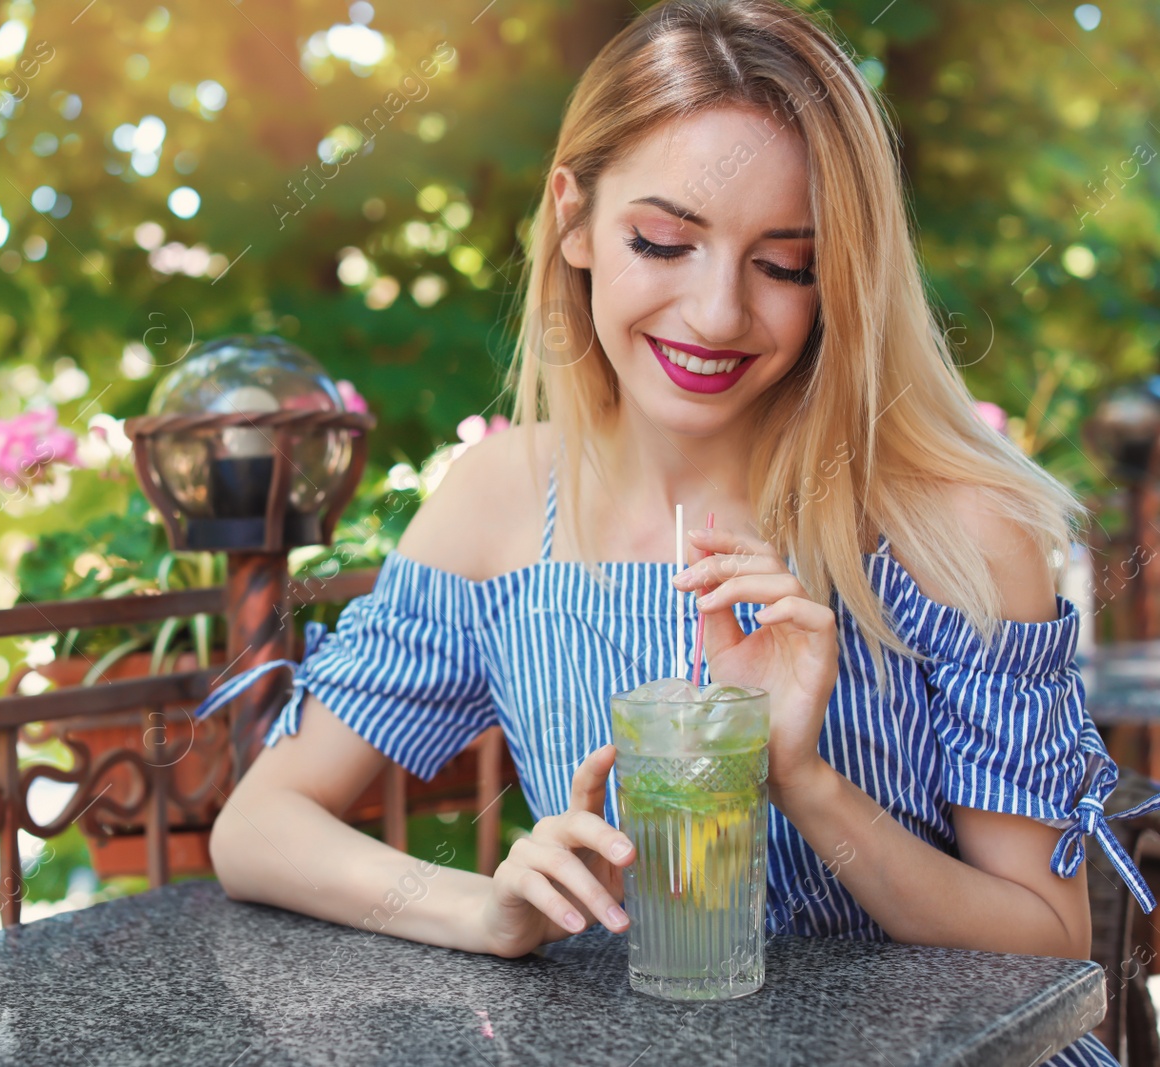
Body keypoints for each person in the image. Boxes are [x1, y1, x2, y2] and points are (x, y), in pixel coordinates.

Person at [196, 1, 1157, 1063]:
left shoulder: (953, 525)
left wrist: (808, 781)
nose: (714, 314)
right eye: (663, 241)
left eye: (783, 263)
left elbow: (1050, 942)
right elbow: (259, 825)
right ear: (572, 217)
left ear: (839, 276)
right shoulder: (500, 501)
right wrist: (489, 909)